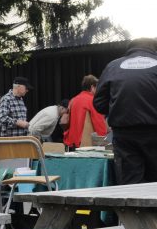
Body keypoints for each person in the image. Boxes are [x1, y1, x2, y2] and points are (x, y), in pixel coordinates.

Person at [94, 38, 157, 184]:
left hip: (125, 135)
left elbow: (99, 103)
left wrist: (118, 109)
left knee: (130, 182)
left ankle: (133, 207)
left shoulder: (113, 66)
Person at [64, 75, 108, 149]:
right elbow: (99, 123)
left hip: (71, 143)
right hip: (85, 144)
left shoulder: (73, 100)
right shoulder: (92, 101)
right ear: (92, 87)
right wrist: (105, 140)